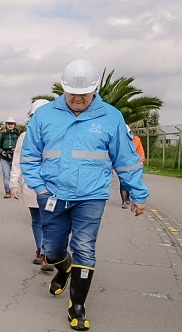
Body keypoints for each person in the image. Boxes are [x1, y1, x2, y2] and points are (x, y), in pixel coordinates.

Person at [20, 59, 149, 331]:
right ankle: (62, 267)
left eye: (84, 93)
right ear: (63, 88)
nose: (77, 98)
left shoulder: (111, 117)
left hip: (91, 196)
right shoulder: (45, 115)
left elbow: (126, 159)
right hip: (52, 195)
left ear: (95, 89)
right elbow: (29, 158)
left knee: (85, 248)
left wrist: (138, 194)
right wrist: (40, 189)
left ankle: (77, 305)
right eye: (72, 92)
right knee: (52, 249)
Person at [9, 99, 53, 271]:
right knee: (37, 219)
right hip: (31, 184)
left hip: (53, 185)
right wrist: (13, 183)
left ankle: (47, 251)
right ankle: (44, 253)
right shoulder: (24, 136)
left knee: (50, 220)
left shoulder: (59, 133)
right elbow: (17, 161)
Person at [120, 125, 145, 209]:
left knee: (131, 182)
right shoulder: (119, 140)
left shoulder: (136, 140)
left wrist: (141, 162)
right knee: (123, 182)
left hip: (134, 165)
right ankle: (124, 201)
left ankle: (128, 198)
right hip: (123, 164)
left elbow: (140, 152)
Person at [0, 117, 20, 198]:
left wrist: (16, 149)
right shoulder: (2, 135)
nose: (10, 125)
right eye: (8, 124)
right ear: (6, 125)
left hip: (15, 157)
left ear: (14, 125)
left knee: (16, 175)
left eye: (12, 124)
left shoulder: (18, 135)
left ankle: (15, 190)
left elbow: (23, 146)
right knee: (6, 175)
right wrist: (2, 151)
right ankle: (7, 191)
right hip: (5, 157)